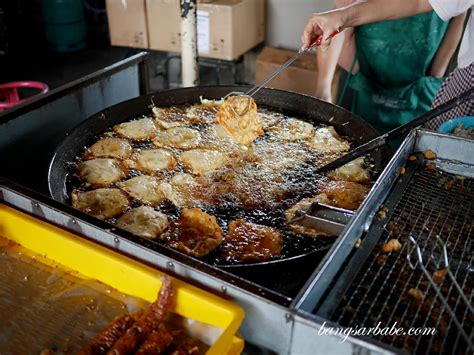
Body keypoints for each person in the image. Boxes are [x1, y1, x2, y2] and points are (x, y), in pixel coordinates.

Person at [303, 0, 473, 131]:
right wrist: (325, 86)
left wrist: (437, 71)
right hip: (367, 74)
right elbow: (338, 21)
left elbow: (458, 12)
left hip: (422, 77)